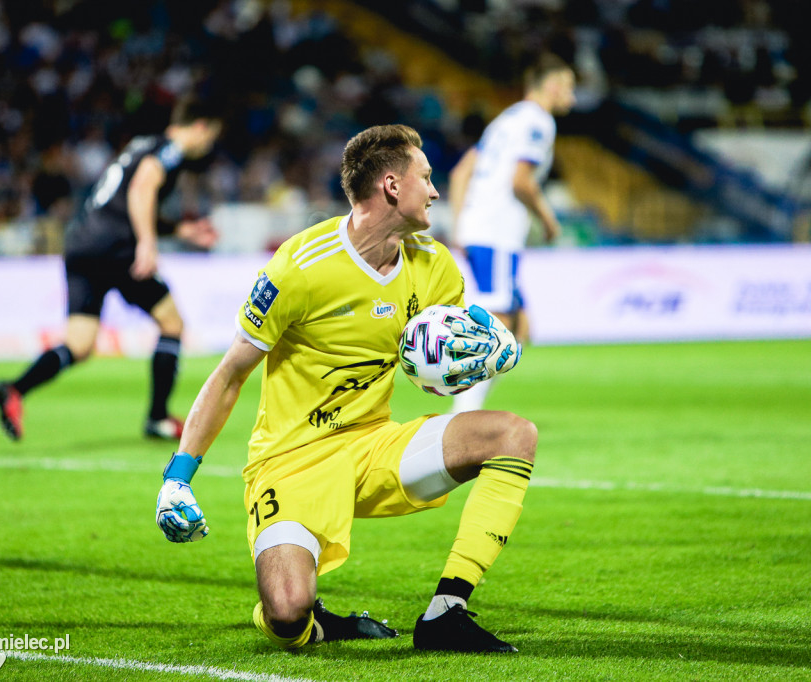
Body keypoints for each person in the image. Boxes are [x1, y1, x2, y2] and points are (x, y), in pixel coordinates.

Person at [154, 125, 538, 653]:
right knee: (287, 613)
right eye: (425, 177)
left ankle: (447, 612)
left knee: (514, 435)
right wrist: (179, 477)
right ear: (391, 186)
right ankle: (316, 622)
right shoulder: (298, 267)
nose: (435, 190)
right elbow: (230, 375)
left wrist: (471, 361)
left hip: (372, 448)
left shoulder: (435, 267)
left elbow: (431, 370)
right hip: (291, 462)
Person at [0, 97, 223, 441]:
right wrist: (147, 242)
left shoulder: (141, 144)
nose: (209, 146)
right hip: (116, 248)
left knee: (79, 344)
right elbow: (142, 188)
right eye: (211, 137)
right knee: (172, 323)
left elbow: (126, 200)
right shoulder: (170, 149)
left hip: (83, 245)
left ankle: (14, 389)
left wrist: (179, 230)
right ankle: (157, 418)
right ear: (200, 127)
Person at [448, 52, 576, 413]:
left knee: (520, 327)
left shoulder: (505, 120)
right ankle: (461, 417)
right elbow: (522, 182)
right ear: (551, 86)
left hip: (482, 230)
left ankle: (467, 411)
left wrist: (461, 226)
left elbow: (461, 173)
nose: (573, 97)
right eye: (569, 87)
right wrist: (549, 221)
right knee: (500, 326)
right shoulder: (538, 122)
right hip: (497, 233)